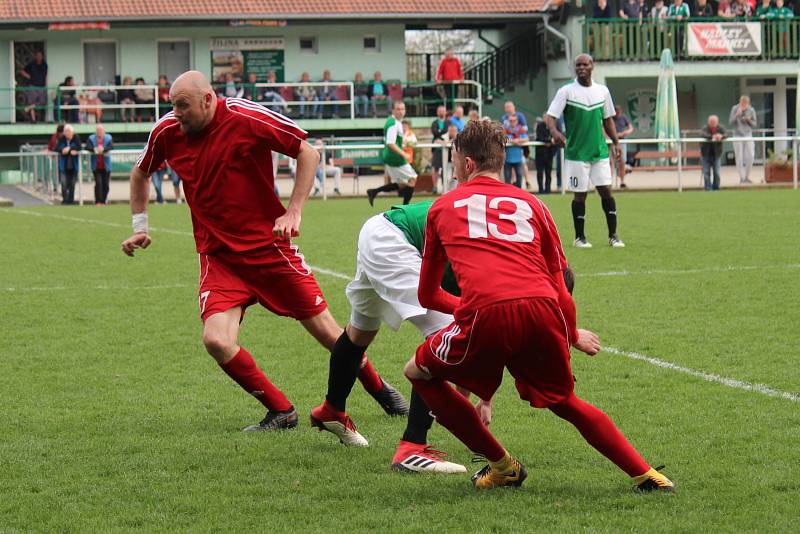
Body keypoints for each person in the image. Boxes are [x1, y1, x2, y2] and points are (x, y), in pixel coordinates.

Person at [121, 71, 406, 431]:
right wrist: (139, 227)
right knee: (216, 340)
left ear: (208, 99)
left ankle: (381, 391)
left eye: (183, 106)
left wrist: (294, 209)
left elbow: (307, 151)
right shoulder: (167, 131)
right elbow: (140, 172)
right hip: (219, 257)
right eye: (172, 106)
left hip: (269, 249)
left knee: (331, 335)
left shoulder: (246, 116)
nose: (176, 114)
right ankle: (281, 411)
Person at [402, 119, 675, 493]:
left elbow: (428, 296)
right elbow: (561, 286)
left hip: (486, 313)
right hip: (544, 309)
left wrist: (473, 304)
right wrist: (573, 333)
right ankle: (647, 475)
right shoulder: (535, 204)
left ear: (466, 164)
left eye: (454, 160)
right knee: (565, 401)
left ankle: (502, 466)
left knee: (418, 372)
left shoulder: (442, 207)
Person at [310, 199, 490, 472]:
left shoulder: (494, 234)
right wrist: (473, 402)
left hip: (379, 228)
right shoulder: (496, 260)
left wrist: (469, 401)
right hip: (396, 241)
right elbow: (467, 326)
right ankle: (413, 448)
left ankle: (332, 410)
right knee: (445, 334)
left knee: (360, 331)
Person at [546, 54, 625, 249]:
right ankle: (579, 237)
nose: (581, 68)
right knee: (580, 195)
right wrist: (555, 132)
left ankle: (613, 235)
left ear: (592, 66)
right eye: (578, 65)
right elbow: (550, 117)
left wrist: (616, 142)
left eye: (585, 64)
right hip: (576, 154)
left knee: (606, 191)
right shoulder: (566, 91)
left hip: (599, 152)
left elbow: (608, 120)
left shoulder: (603, 91)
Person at [367, 101, 417, 206]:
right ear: (393, 110)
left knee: (402, 184)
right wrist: (404, 154)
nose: (401, 111)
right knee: (413, 178)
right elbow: (390, 143)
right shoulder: (393, 123)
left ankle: (373, 192)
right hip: (395, 158)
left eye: (402, 109)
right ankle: (405, 207)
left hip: (390, 157)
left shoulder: (394, 122)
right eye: (398, 109)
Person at [501, 101, 531, 188]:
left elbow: (526, 137)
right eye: (510, 120)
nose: (512, 122)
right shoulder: (505, 129)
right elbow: (502, 137)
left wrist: (518, 140)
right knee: (507, 179)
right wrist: (514, 141)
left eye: (514, 120)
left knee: (519, 179)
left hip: (518, 158)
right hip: (508, 159)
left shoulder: (521, 128)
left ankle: (527, 181)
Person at [729, 95, 757, 184]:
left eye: (745, 103)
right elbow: (731, 122)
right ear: (740, 102)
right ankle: (742, 177)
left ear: (748, 103)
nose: (744, 105)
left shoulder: (751, 110)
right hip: (737, 135)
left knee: (751, 155)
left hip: (748, 134)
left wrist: (749, 120)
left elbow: (754, 124)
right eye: (742, 103)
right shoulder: (735, 108)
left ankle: (747, 176)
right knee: (739, 157)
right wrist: (737, 114)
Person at [85, 124, 113, 205]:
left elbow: (111, 146)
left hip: (106, 166)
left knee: (106, 185)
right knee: (98, 183)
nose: (99, 132)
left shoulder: (108, 138)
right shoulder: (91, 138)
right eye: (98, 131)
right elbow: (87, 147)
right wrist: (94, 149)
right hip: (96, 166)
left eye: (101, 131)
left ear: (104, 131)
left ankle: (104, 201)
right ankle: (98, 201)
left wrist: (103, 150)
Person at [20, 50, 48, 123]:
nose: (39, 57)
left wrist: (45, 85)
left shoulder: (45, 65)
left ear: (42, 57)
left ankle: (28, 108)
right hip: (32, 86)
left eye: (40, 56)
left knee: (42, 102)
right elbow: (22, 71)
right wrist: (28, 76)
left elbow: (45, 76)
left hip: (41, 86)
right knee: (31, 102)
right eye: (38, 55)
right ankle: (33, 120)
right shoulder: (31, 64)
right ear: (35, 56)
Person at [56, 124, 81, 205]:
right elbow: (56, 148)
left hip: (73, 165)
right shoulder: (62, 139)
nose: (67, 134)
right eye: (65, 132)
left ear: (72, 132)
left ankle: (71, 200)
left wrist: (69, 149)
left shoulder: (76, 137)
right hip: (64, 165)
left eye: (68, 132)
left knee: (72, 184)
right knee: (63, 183)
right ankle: (65, 200)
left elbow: (79, 147)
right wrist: (62, 150)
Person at [701, 115, 727, 191]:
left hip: (717, 154)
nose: (713, 123)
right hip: (706, 154)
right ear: (708, 122)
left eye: (714, 122)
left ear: (717, 122)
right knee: (706, 172)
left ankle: (716, 187)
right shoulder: (705, 128)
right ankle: (708, 188)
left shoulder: (720, 128)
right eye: (711, 122)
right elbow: (703, 134)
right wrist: (713, 136)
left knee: (716, 172)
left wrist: (721, 136)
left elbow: (726, 134)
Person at [613, 105, 634, 188]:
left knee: (622, 162)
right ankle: (610, 182)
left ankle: (622, 181)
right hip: (613, 142)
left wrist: (624, 133)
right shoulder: (611, 118)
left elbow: (631, 128)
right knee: (611, 162)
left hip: (622, 141)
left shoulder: (623, 118)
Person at [534, 115, 555, 194]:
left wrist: (550, 143)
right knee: (540, 173)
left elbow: (555, 138)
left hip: (549, 154)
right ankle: (540, 190)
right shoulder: (540, 126)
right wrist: (549, 141)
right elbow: (539, 137)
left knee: (548, 173)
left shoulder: (553, 127)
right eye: (546, 118)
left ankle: (548, 190)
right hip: (540, 155)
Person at [430, 105, 448, 193]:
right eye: (440, 111)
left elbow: (448, 132)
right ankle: (435, 187)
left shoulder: (449, 122)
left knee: (446, 168)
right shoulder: (434, 122)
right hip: (437, 149)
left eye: (443, 111)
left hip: (447, 149)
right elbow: (435, 132)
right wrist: (441, 134)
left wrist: (440, 134)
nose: (441, 112)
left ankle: (445, 187)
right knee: (435, 167)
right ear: (437, 112)